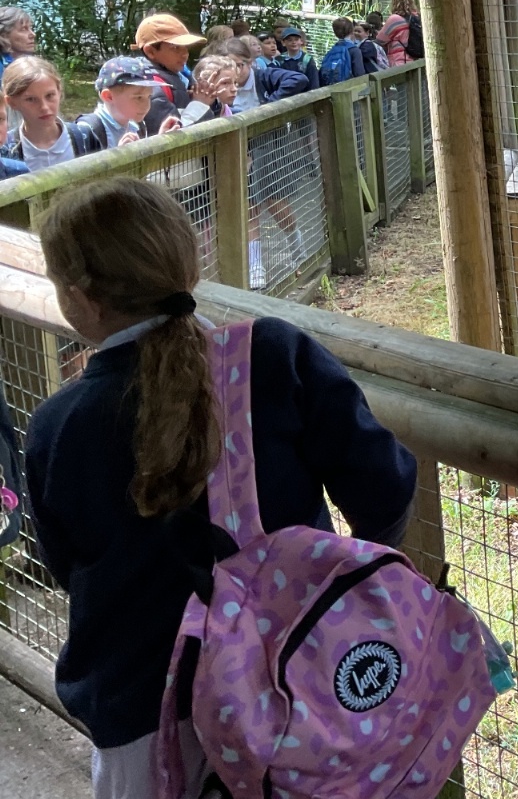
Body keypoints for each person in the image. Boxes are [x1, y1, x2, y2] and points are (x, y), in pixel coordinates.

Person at [24, 177, 417, 798]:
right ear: (188, 263)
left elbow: (65, 565)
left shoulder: (59, 425)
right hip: (298, 685)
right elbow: (385, 486)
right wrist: (340, 591)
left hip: (144, 715)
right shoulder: (276, 356)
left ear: (81, 299)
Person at [2, 58, 93, 170]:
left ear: (59, 92)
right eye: (31, 99)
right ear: (11, 103)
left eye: (49, 95)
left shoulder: (84, 137)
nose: (44, 107)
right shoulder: (5, 150)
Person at [133, 14, 207, 136]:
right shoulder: (150, 88)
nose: (185, 54)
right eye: (175, 47)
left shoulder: (182, 76)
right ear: (150, 51)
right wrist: (200, 104)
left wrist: (212, 102)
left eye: (185, 47)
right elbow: (174, 136)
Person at [73, 57, 162, 153]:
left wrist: (162, 139)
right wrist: (119, 155)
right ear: (109, 97)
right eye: (139, 97)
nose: (146, 105)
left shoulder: (137, 126)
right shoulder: (88, 131)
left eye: (149, 96)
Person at [214, 37, 308, 113]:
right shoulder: (217, 85)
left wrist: (270, 105)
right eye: (228, 67)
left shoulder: (264, 76)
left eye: (238, 65)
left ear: (250, 62)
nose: (234, 71)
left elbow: (299, 79)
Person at [376, 0, 420, 66]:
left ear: (394, 2)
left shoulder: (394, 20)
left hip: (399, 63)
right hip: (415, 62)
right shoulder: (417, 17)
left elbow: (380, 40)